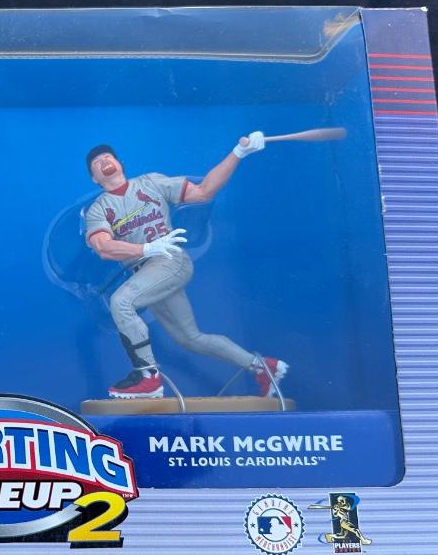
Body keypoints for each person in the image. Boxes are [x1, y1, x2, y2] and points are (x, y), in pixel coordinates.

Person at [83, 134, 287, 399]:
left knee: (121, 302)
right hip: (146, 271)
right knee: (191, 339)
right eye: (97, 162)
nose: (104, 160)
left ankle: (148, 377)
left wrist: (238, 152)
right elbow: (103, 247)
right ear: (94, 178)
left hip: (169, 261)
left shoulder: (150, 182)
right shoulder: (98, 209)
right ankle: (263, 367)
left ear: (120, 163)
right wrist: (146, 249)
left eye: (108, 156)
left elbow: (204, 191)